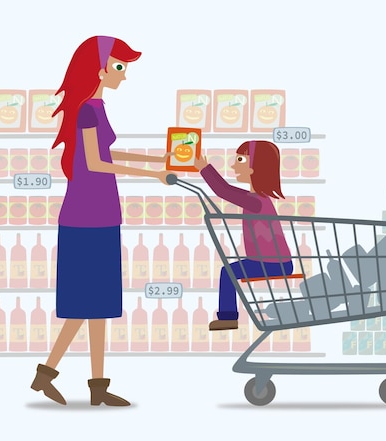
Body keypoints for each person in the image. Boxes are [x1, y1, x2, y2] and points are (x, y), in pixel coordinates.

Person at [30, 35, 173, 406]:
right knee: (83, 305)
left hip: (103, 214)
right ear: (101, 68)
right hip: (85, 217)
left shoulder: (96, 106)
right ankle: (47, 375)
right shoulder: (88, 110)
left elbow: (106, 151)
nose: (124, 76)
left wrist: (159, 160)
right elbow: (96, 163)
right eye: (120, 67)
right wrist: (152, 175)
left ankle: (95, 387)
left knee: (100, 306)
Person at [194, 140, 293, 330]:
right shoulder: (257, 199)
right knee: (229, 271)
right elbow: (227, 192)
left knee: (228, 272)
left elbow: (224, 191)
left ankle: (228, 318)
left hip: (273, 263)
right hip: (271, 261)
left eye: (240, 159)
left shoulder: (257, 202)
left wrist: (204, 168)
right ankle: (228, 317)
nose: (233, 164)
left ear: (255, 167)